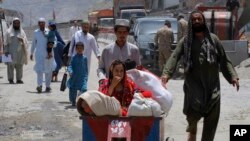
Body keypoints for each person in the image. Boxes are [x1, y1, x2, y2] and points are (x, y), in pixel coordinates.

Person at [161, 11, 239, 141]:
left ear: (204, 21)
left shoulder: (213, 39)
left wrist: (233, 76)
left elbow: (224, 60)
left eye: (199, 19)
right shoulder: (186, 41)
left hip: (212, 86)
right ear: (191, 23)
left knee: (211, 120)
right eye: (194, 19)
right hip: (193, 85)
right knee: (192, 119)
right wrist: (166, 73)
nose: (197, 21)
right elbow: (174, 56)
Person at [30, 18, 55, 93]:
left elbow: (55, 40)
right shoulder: (36, 32)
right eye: (40, 23)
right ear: (38, 24)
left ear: (45, 24)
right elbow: (34, 43)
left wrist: (52, 45)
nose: (41, 24)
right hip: (39, 54)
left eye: (43, 23)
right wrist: (31, 53)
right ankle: (39, 85)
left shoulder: (49, 31)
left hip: (49, 54)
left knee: (48, 71)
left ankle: (47, 86)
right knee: (39, 70)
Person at [4, 17, 28, 84]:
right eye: (15, 23)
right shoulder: (8, 32)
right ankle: (10, 79)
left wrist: (22, 41)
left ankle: (19, 79)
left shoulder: (22, 32)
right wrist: (6, 51)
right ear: (13, 24)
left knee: (20, 65)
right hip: (10, 51)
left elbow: (26, 42)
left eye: (18, 23)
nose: (17, 24)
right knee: (10, 66)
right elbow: (5, 42)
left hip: (20, 52)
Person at [67, 42, 88, 106]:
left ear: (83, 49)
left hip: (82, 78)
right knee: (73, 91)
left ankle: (81, 101)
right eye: (78, 48)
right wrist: (70, 71)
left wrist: (86, 76)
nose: (79, 49)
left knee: (84, 89)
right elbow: (70, 66)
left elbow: (86, 68)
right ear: (76, 49)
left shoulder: (85, 58)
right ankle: (73, 101)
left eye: (81, 48)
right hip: (74, 77)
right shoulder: (73, 57)